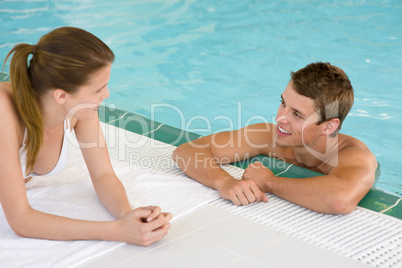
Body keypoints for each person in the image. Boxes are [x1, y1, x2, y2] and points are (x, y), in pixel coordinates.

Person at [0, 27, 171, 246]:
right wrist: (117, 231)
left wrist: (128, 216)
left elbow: (103, 175)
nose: (106, 95)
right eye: (99, 89)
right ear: (61, 95)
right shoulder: (4, 110)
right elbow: (21, 221)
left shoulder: (79, 110)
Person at [172, 62, 377, 215]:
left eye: (296, 114)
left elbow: (339, 200)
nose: (280, 118)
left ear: (329, 125)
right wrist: (224, 182)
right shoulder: (269, 136)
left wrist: (270, 182)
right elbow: (187, 151)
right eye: (283, 103)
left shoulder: (355, 157)